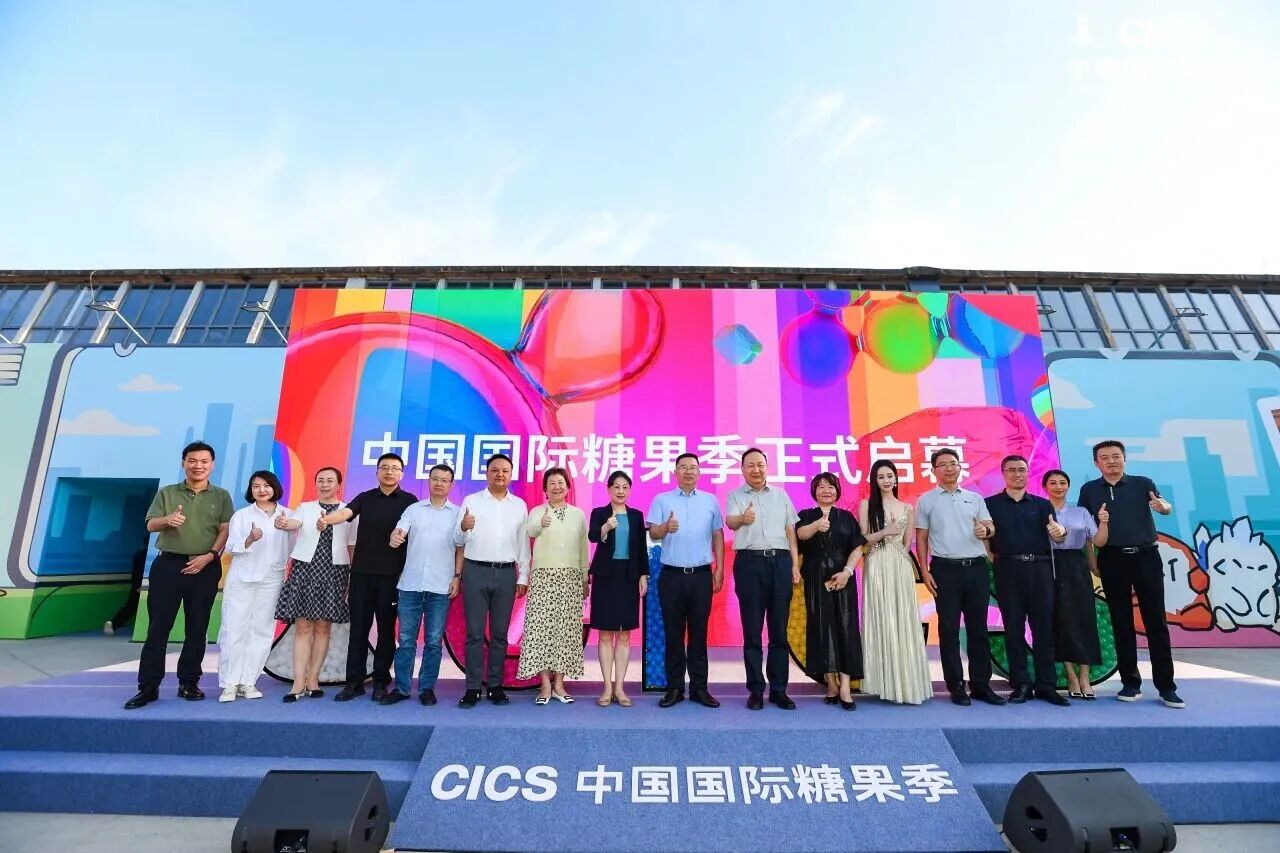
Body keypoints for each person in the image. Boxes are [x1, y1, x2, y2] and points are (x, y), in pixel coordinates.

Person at [125, 441, 233, 710]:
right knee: (158, 627)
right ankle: (148, 687)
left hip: (206, 566)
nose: (198, 466)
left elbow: (225, 529)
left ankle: (189, 683)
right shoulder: (167, 492)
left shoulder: (221, 496)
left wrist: (210, 555)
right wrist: (167, 520)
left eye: (204, 461)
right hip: (168, 566)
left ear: (212, 465)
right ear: (183, 463)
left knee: (197, 627)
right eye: (192, 461)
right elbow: (151, 524)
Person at [1078, 440, 1184, 708]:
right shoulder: (1089, 490)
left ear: (1124, 459)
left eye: (1116, 456)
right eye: (1104, 458)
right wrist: (1092, 562)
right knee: (1121, 621)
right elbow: (1086, 531)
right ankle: (1130, 683)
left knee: (1156, 622)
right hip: (1112, 559)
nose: (1111, 461)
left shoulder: (1142, 483)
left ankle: (1166, 686)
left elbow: (1164, 505)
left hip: (1146, 557)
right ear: (1096, 463)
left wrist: (1163, 507)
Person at [320, 452, 419, 702]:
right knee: (358, 630)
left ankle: (380, 681)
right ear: (377, 472)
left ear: (401, 474)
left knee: (386, 631)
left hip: (392, 577)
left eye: (394, 468)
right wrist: (327, 520)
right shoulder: (365, 497)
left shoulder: (410, 501)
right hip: (361, 575)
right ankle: (354, 682)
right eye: (384, 467)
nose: (389, 472)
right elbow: (346, 512)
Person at [914, 448, 1006, 708]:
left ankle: (981, 684)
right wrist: (924, 571)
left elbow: (990, 527)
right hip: (945, 570)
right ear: (934, 470)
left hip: (976, 568)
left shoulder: (974, 498)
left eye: (953, 463)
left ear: (959, 467)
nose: (949, 468)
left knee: (978, 629)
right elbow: (921, 538)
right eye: (942, 464)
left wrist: (986, 530)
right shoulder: (926, 500)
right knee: (949, 629)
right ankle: (955, 685)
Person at [984, 455, 1069, 706]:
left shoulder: (1042, 505)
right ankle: (1021, 684)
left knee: (1044, 629)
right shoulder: (990, 504)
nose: (1017, 474)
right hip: (1008, 569)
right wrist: (993, 558)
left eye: (1021, 470)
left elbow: (1058, 536)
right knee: (1013, 629)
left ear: (1028, 473)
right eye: (1012, 470)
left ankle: (1046, 685)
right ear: (1003, 474)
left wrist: (1060, 533)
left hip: (1040, 569)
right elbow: (985, 537)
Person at [381, 464, 465, 707]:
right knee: (406, 640)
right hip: (410, 585)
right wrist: (396, 536)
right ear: (428, 481)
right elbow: (400, 529)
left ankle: (427, 688)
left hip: (441, 586)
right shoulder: (413, 510)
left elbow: (461, 548)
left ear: (451, 485)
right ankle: (402, 688)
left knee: (433, 641)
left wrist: (457, 576)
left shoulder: (457, 514)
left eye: (444, 480)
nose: (439, 483)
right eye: (435, 478)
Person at [648, 453, 725, 709]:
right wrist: (665, 527)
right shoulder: (662, 499)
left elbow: (717, 534)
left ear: (699, 473)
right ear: (675, 472)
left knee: (699, 634)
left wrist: (719, 568)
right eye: (683, 467)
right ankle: (675, 688)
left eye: (693, 468)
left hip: (701, 576)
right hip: (671, 576)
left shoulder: (710, 501)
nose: (688, 472)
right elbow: (653, 533)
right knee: (673, 634)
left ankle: (700, 689)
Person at [727, 448, 801, 710]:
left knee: (779, 630)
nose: (755, 469)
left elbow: (790, 531)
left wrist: (794, 564)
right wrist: (743, 518)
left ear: (767, 467)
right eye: (750, 465)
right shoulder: (735, 496)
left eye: (760, 464)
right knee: (752, 631)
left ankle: (779, 690)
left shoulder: (781, 495)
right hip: (749, 563)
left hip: (780, 562)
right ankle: (756, 689)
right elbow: (731, 522)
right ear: (742, 469)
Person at [456, 453, 531, 708]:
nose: (500, 474)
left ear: (510, 475)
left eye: (505, 470)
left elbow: (523, 544)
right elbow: (458, 539)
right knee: (475, 634)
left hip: (506, 574)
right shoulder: (472, 501)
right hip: (475, 571)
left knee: (500, 634)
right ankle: (472, 688)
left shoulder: (519, 505)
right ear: (487, 473)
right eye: (495, 470)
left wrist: (523, 576)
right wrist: (464, 526)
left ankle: (495, 686)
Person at [274, 466, 354, 702]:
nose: (325, 484)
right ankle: (298, 682)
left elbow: (351, 545)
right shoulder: (306, 508)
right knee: (302, 627)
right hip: (305, 570)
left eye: (330, 480)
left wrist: (352, 575)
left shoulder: (348, 511)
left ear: (339, 485)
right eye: (320, 480)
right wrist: (284, 523)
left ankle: (313, 680)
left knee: (323, 628)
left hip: (335, 571)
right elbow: (294, 523)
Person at [859, 460, 932, 706]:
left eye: (890, 475)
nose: (886, 480)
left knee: (903, 618)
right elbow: (863, 540)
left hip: (900, 565)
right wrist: (884, 532)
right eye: (881, 477)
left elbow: (906, 544)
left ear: (896, 478)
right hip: (876, 563)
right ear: (874, 480)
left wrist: (897, 547)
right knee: (881, 617)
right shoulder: (866, 505)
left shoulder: (908, 508)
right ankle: (882, 683)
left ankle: (906, 683)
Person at [216, 471, 292, 702]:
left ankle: (249, 682)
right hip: (242, 579)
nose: (261, 490)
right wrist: (249, 539)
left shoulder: (287, 516)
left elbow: (294, 547)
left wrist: (289, 528)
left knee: (262, 631)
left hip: (272, 579)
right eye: (256, 486)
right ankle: (229, 684)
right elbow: (231, 547)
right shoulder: (241, 515)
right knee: (233, 630)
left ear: (275, 487)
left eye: (266, 485)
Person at [518, 467, 590, 704]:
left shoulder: (578, 514)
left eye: (561, 483)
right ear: (545, 489)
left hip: (570, 578)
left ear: (567, 487)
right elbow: (530, 531)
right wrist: (541, 523)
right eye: (552, 483)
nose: (557, 487)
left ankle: (559, 684)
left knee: (566, 631)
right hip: (543, 577)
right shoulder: (537, 511)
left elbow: (583, 548)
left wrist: (584, 578)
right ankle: (545, 685)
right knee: (540, 630)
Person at [796, 472, 865, 710]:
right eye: (821, 487)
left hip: (843, 576)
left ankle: (845, 686)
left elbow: (858, 547)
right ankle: (831, 683)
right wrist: (816, 525)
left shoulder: (846, 517)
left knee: (846, 626)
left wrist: (847, 571)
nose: (826, 491)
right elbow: (799, 535)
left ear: (837, 491)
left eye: (831, 487)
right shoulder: (806, 515)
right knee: (821, 627)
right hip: (815, 578)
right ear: (814, 491)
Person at [1043, 469, 1107, 700]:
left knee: (1083, 617)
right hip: (1049, 565)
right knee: (1059, 619)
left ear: (1068, 486)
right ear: (1045, 487)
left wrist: (1104, 523)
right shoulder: (1039, 510)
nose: (1058, 487)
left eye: (1062, 483)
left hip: (1076, 566)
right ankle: (1071, 675)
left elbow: (1095, 541)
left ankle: (1085, 677)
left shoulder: (1081, 512)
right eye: (1053, 483)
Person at [587, 470, 648, 707]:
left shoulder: (636, 516)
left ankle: (620, 688)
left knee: (624, 635)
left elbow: (641, 548)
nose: (621, 491)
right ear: (609, 489)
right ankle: (606, 688)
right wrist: (605, 527)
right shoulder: (599, 513)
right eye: (616, 487)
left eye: (625, 487)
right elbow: (592, 536)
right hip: (605, 577)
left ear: (629, 490)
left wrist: (643, 575)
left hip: (628, 577)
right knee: (605, 634)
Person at [104, 548, 147, 636]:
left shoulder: (140, 554)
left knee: (130, 607)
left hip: (138, 584)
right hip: (147, 585)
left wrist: (137, 585)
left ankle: (113, 624)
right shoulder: (158, 555)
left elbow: (136, 573)